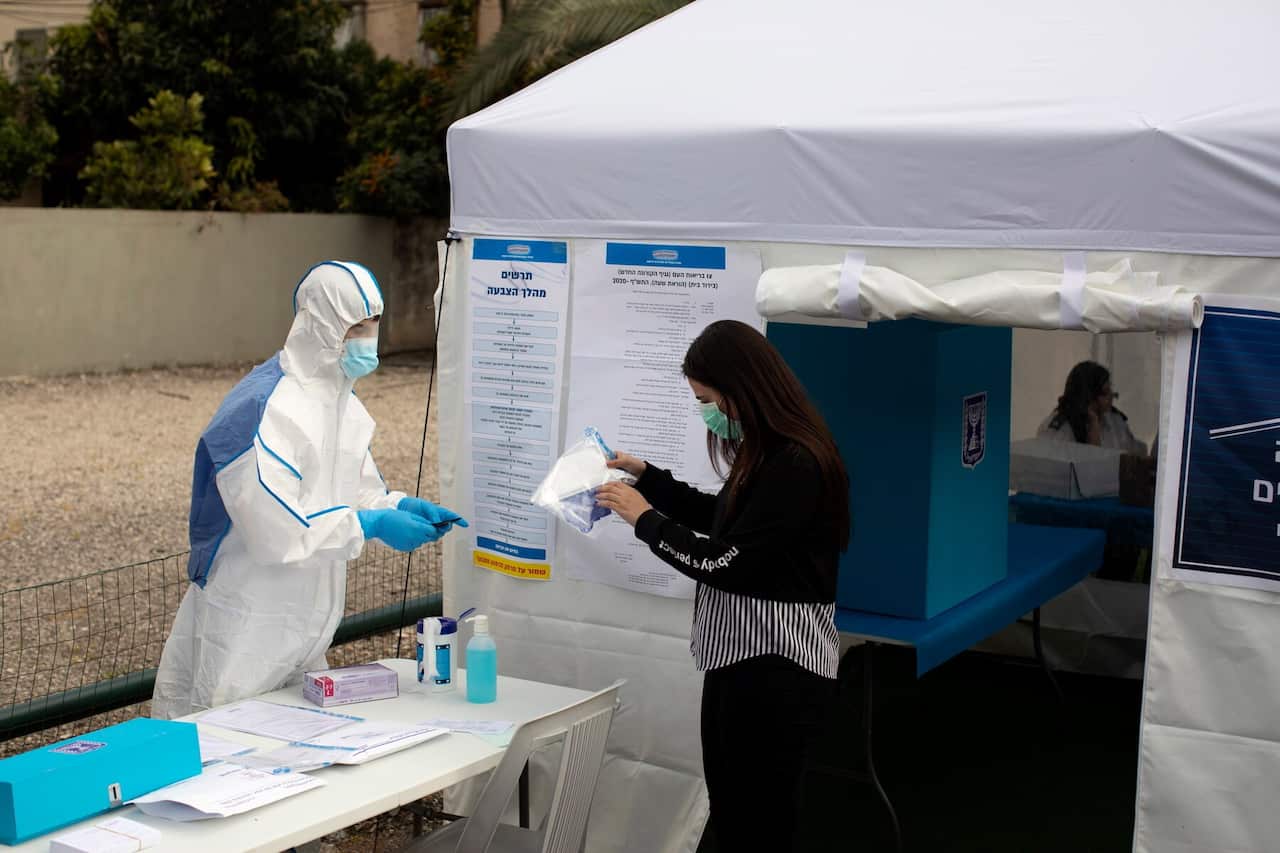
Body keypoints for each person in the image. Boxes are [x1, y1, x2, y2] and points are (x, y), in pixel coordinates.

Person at [153, 261, 466, 719]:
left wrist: (396, 505)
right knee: (225, 738)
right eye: (356, 326)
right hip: (250, 618)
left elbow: (355, 490)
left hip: (307, 620)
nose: (367, 338)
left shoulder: (340, 399)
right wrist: (371, 524)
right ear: (321, 325)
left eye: (374, 324)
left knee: (299, 747)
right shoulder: (265, 409)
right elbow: (275, 531)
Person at [594, 319, 848, 852]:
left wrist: (645, 521)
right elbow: (726, 519)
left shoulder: (795, 463)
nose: (706, 412)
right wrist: (650, 479)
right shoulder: (770, 451)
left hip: (774, 668)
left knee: (755, 817)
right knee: (739, 807)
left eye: (707, 399)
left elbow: (724, 561)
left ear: (744, 388)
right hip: (741, 661)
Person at [1038, 360, 1147, 455]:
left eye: (1110, 391)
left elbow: (1137, 453)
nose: (1112, 397)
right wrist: (1092, 427)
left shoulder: (1114, 420)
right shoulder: (1058, 431)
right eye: (1105, 392)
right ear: (1087, 397)